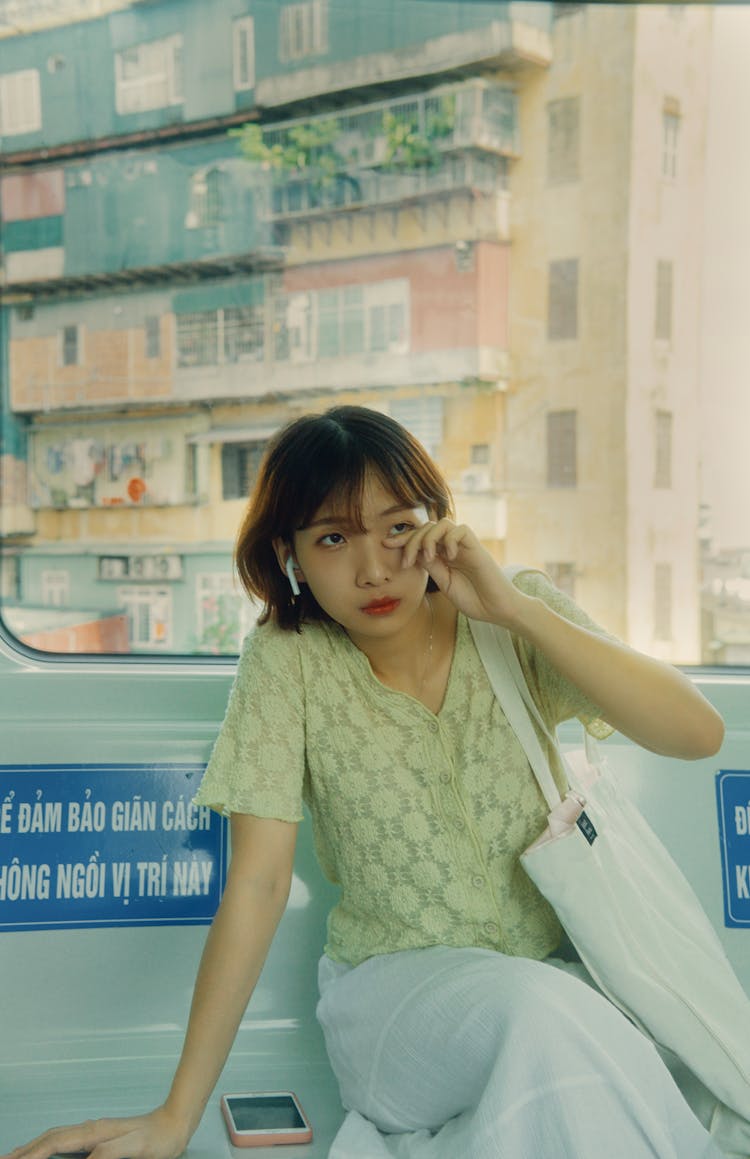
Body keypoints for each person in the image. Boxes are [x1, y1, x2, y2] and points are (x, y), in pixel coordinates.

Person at [4, 405, 726, 1159]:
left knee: (566, 1025)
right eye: (334, 538)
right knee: (544, 1014)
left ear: (437, 527)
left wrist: (515, 609)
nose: (374, 567)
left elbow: (696, 732)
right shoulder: (289, 662)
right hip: (392, 1007)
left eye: (398, 528)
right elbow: (257, 883)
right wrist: (177, 1114)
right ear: (291, 553)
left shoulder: (516, 613)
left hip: (559, 987)